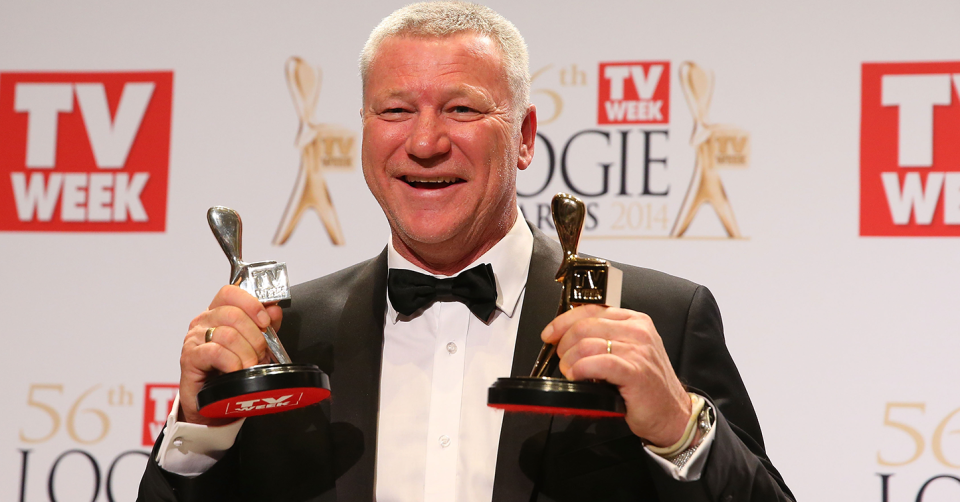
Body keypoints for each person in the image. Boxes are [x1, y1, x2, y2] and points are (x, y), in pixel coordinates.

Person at [138, 3, 794, 501]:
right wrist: (199, 430)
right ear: (363, 132)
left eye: (461, 109)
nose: (424, 142)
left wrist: (681, 429)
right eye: (395, 110)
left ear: (526, 137)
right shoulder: (285, 337)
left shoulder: (661, 316)